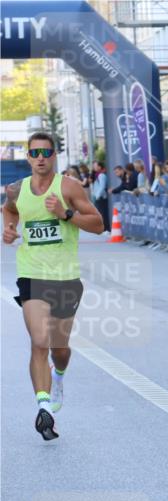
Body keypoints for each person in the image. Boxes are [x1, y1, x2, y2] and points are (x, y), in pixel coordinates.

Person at [2, 131, 105, 440]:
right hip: (31, 274)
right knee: (39, 341)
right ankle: (44, 407)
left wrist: (65, 214)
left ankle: (58, 375)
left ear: (54, 156)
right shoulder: (16, 189)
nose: (40, 158)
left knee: (59, 350)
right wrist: (9, 228)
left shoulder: (69, 187)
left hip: (65, 277)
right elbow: (9, 210)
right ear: (28, 157)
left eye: (46, 153)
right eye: (35, 153)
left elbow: (99, 224)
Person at [90, 161, 109, 229]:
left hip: (101, 197)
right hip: (98, 197)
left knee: (102, 213)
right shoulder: (97, 175)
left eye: (95, 166)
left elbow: (102, 187)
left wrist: (98, 195)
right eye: (94, 166)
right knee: (100, 212)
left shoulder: (101, 175)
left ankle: (105, 228)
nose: (94, 167)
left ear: (100, 167)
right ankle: (103, 228)